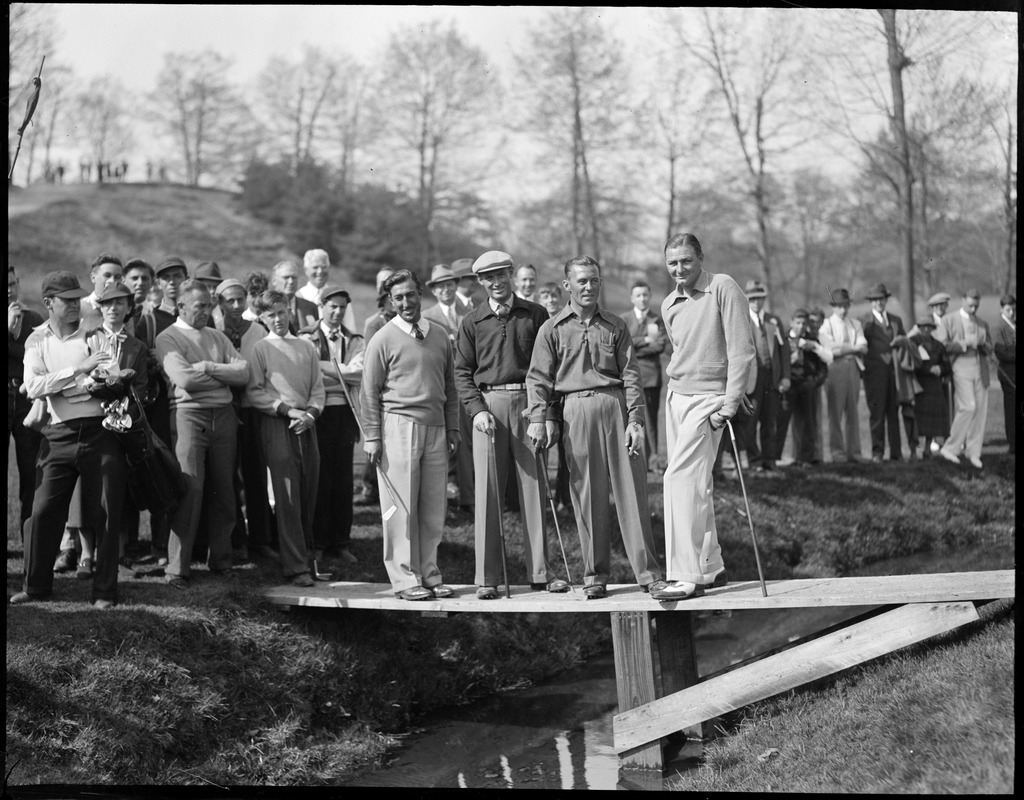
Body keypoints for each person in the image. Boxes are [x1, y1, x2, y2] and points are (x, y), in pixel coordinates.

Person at [526, 255, 665, 600]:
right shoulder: (552, 329)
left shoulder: (616, 326)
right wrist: (539, 419)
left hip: (615, 407)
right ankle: (595, 575)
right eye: (582, 281)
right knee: (587, 495)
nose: (589, 287)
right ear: (567, 286)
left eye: (594, 281)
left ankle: (649, 575)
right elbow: (539, 380)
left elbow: (631, 375)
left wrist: (634, 420)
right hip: (575, 412)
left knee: (632, 491)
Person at [456, 251, 568, 599]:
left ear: (510, 275)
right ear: (480, 282)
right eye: (488, 278)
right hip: (488, 409)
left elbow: (549, 367)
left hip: (527, 408)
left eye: (501, 275)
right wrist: (476, 410)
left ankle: (541, 572)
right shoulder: (472, 321)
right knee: (488, 493)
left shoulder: (534, 314)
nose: (496, 282)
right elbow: (461, 372)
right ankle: (487, 578)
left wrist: (543, 413)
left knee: (534, 490)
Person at [10, 272, 126, 609]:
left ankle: (105, 592)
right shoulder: (35, 341)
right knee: (41, 511)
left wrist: (63, 383)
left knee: (105, 510)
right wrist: (80, 371)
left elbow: (110, 378)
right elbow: (31, 387)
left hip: (99, 432)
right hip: (57, 435)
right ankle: (35, 587)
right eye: (67, 300)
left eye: (78, 299)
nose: (76, 304)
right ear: (49, 304)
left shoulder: (95, 335)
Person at [651, 233, 754, 602]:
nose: (679, 269)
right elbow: (680, 353)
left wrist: (730, 402)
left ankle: (684, 575)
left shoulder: (723, 287)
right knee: (696, 483)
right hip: (676, 396)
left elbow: (742, 350)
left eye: (686, 261)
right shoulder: (668, 304)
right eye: (672, 263)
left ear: (700, 258)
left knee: (677, 479)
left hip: (709, 399)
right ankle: (711, 566)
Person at [360, 269, 461, 601]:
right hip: (398, 427)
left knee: (433, 506)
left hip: (435, 428)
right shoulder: (383, 338)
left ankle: (430, 573)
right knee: (400, 507)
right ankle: (404, 579)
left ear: (421, 294)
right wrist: (373, 437)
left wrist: (453, 427)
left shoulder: (440, 335)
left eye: (411, 295)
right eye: (398, 298)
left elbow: (450, 387)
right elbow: (369, 393)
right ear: (391, 301)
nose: (406, 302)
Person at [155, 279, 249, 587]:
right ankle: (176, 568)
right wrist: (222, 378)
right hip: (188, 417)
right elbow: (184, 379)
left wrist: (207, 366)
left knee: (224, 489)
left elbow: (244, 372)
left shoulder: (217, 336)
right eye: (199, 306)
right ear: (181, 306)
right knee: (190, 490)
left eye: (208, 306)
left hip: (223, 418)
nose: (206, 312)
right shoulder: (167, 337)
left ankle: (221, 560)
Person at [247, 289, 325, 587]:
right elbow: (255, 391)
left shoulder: (305, 347)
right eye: (270, 315)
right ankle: (295, 566)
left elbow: (317, 388)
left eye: (281, 312)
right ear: (262, 318)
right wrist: (287, 411)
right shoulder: (261, 349)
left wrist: (311, 413)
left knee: (309, 489)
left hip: (307, 424)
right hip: (278, 424)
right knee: (288, 494)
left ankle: (308, 556)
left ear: (288, 312)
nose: (277, 319)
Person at [300, 285, 363, 565]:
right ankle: (319, 541)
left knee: (343, 479)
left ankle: (341, 541)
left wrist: (326, 368)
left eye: (342, 307)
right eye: (332, 306)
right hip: (318, 412)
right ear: (321, 307)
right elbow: (308, 376)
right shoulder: (306, 337)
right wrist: (340, 372)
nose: (337, 312)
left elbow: (360, 374)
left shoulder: (356, 339)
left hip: (346, 414)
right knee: (320, 477)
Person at [133, 256, 189, 565]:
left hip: (189, 405)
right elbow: (141, 359)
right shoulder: (151, 319)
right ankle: (160, 545)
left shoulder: (196, 316)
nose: (172, 282)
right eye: (166, 277)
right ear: (158, 283)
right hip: (160, 404)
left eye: (177, 276)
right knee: (163, 468)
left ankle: (187, 544)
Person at [215, 278, 271, 561]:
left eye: (241, 299)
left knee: (255, 473)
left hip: (253, 409)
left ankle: (261, 539)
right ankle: (235, 539)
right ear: (220, 303)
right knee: (227, 476)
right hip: (225, 409)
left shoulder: (259, 331)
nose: (237, 306)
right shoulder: (214, 331)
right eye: (230, 301)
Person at [423, 263, 474, 511]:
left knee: (466, 438)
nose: (445, 289)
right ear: (434, 290)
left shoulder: (470, 310)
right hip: (442, 384)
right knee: (443, 440)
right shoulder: (428, 317)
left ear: (456, 285)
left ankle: (469, 495)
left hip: (468, 382)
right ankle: (443, 494)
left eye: (449, 284)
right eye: (440, 286)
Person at [935, 289, 993, 469]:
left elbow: (990, 347)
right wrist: (963, 343)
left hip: (980, 368)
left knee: (980, 411)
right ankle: (951, 448)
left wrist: (983, 344)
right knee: (968, 406)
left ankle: (973, 452)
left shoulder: (982, 323)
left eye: (976, 305)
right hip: (960, 367)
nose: (973, 308)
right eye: (970, 305)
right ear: (962, 301)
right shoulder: (949, 320)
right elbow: (941, 346)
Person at [354, 280, 397, 507]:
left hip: (396, 387)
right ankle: (369, 487)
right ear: (383, 301)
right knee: (375, 437)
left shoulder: (402, 321)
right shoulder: (375, 323)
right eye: (389, 298)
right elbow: (372, 358)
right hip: (380, 386)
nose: (393, 302)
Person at [8, 266, 45, 532]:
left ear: (18, 283)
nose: (9, 290)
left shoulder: (33, 318)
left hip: (26, 398)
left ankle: (29, 535)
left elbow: (39, 356)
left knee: (31, 471)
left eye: (11, 284)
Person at [740, 279, 790, 471]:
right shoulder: (741, 320)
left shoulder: (773, 321)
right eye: (752, 299)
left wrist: (785, 376)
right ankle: (754, 460)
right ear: (747, 300)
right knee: (750, 421)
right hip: (752, 379)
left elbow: (784, 351)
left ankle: (770, 459)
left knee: (770, 420)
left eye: (760, 298)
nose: (756, 302)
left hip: (772, 377)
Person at [621, 280, 668, 471]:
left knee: (651, 421)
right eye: (638, 295)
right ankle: (632, 459)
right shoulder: (623, 320)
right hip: (628, 377)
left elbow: (658, 345)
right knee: (630, 419)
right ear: (632, 298)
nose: (642, 299)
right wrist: (644, 341)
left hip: (650, 378)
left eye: (645, 295)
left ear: (650, 296)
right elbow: (623, 345)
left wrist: (634, 346)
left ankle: (653, 460)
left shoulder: (655, 321)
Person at [860, 282, 909, 462]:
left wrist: (900, 340)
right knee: (877, 414)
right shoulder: (864, 321)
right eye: (875, 300)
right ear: (871, 302)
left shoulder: (896, 320)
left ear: (886, 300)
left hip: (894, 373)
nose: (878, 303)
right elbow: (861, 346)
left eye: (881, 299)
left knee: (893, 412)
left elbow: (903, 338)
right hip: (874, 374)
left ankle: (896, 453)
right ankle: (877, 452)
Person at [818, 288, 867, 463]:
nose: (843, 309)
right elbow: (831, 349)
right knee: (835, 413)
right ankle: (837, 452)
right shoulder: (826, 325)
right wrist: (852, 349)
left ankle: (854, 452)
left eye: (846, 305)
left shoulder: (855, 324)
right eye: (840, 306)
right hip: (835, 370)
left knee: (853, 411)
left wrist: (845, 349)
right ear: (834, 307)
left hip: (853, 368)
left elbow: (863, 345)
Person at [776, 309, 830, 467]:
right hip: (789, 385)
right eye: (798, 323)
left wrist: (815, 381)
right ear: (792, 322)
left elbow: (823, 366)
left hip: (807, 385)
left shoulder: (812, 341)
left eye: (804, 324)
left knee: (808, 422)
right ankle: (773, 458)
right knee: (782, 421)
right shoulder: (783, 339)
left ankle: (805, 458)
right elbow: (777, 363)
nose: (801, 326)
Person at [909, 315, 951, 457]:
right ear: (918, 328)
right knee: (916, 419)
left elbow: (947, 365)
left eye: (929, 326)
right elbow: (911, 363)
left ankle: (928, 448)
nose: (926, 329)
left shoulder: (939, 345)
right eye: (922, 326)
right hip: (918, 384)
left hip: (934, 386)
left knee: (932, 420)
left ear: (933, 328)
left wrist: (940, 369)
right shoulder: (912, 343)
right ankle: (913, 450)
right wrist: (927, 370)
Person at [298, 249, 358, 332]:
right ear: (306, 270)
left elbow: (350, 328)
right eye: (315, 267)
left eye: (324, 267)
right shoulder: (298, 297)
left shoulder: (340, 297)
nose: (320, 271)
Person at [270, 259, 318, 334]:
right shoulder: (267, 307)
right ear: (274, 281)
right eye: (286, 277)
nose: (291, 282)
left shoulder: (311, 307)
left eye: (294, 277)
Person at [993, 294, 1015, 455]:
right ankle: (1012, 443)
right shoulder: (999, 327)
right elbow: (1001, 352)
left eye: (1014, 309)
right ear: (1002, 309)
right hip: (1008, 374)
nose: (1012, 313)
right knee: (1011, 408)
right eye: (1009, 310)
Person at [78, 253, 124, 332]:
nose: (112, 281)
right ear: (93, 278)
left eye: (117, 277)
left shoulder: (124, 310)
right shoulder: (78, 309)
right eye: (107, 275)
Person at [122, 257, 155, 339]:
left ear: (152, 282)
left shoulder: (156, 316)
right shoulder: (113, 312)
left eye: (145, 278)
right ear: (123, 280)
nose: (140, 283)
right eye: (134, 278)